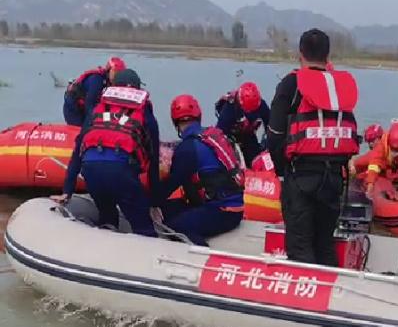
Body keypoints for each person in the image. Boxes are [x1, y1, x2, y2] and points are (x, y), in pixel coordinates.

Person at [267, 28, 359, 266]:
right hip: (334, 179)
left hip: (301, 177)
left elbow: (275, 134)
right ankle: (331, 294)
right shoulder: (339, 88)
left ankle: (304, 299)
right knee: (325, 244)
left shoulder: (291, 84)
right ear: (328, 57)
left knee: (300, 246)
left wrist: (281, 172)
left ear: (300, 53)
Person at [53, 69, 160, 237]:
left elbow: (78, 150)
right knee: (144, 228)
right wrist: (154, 202)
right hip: (121, 173)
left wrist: (67, 190)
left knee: (107, 215)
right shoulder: (144, 112)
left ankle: (106, 236)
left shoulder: (97, 110)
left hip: (91, 170)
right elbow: (153, 160)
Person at [156, 95, 244, 246]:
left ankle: (202, 255)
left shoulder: (187, 148)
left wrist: (147, 200)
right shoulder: (211, 136)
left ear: (175, 122)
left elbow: (172, 184)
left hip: (223, 211)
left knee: (175, 226)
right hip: (231, 204)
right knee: (168, 208)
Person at [215, 81, 270, 168]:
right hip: (230, 136)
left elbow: (271, 126)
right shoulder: (228, 111)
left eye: (254, 109)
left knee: (255, 158)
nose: (252, 112)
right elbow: (219, 137)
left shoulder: (261, 105)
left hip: (248, 133)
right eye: (249, 109)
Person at [63, 56, 127, 126]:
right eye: (116, 73)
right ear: (109, 70)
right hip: (74, 108)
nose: (117, 77)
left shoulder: (112, 83)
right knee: (85, 125)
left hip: (87, 107)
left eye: (120, 74)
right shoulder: (96, 80)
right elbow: (89, 105)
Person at [364, 121, 398, 198]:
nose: (371, 144)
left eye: (372, 140)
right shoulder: (381, 147)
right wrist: (370, 184)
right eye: (394, 149)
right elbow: (374, 164)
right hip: (389, 174)